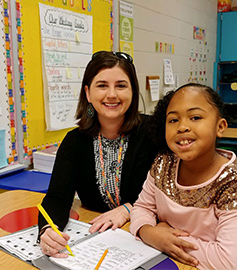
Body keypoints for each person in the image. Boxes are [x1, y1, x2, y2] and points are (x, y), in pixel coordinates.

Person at [38, 51, 159, 257]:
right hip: (98, 240)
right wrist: (47, 230)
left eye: (121, 85)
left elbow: (169, 194)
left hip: (144, 236)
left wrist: (128, 209)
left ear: (132, 91)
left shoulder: (154, 132)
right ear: (87, 93)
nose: (111, 94)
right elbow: (58, 198)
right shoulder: (75, 141)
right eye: (102, 85)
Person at [130, 83, 237, 269]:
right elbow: (143, 207)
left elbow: (229, 262)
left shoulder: (236, 182)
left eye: (195, 117)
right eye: (173, 120)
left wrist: (168, 241)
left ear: (220, 127)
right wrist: (148, 232)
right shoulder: (164, 162)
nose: (182, 127)